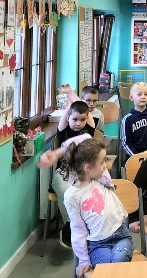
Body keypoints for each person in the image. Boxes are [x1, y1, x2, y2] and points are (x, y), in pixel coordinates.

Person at [61, 138, 133, 276]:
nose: (105, 165)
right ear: (88, 167)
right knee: (111, 270)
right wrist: (84, 261)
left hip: (121, 236)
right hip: (98, 244)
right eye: (102, 161)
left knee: (118, 261)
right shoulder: (71, 196)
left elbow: (86, 140)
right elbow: (78, 230)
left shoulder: (101, 178)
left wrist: (84, 150)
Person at [52, 100, 96, 247]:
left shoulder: (88, 132)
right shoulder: (64, 131)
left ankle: (83, 227)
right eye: (75, 119)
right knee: (66, 192)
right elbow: (70, 113)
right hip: (65, 171)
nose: (78, 123)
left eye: (82, 120)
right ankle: (70, 225)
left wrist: (74, 97)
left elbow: (85, 110)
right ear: (68, 118)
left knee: (88, 193)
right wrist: (70, 102)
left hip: (83, 172)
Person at [121, 82, 147, 159]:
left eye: (146, 94)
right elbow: (126, 143)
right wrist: (137, 157)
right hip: (134, 157)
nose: (143, 97)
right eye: (139, 94)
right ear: (131, 97)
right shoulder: (127, 119)